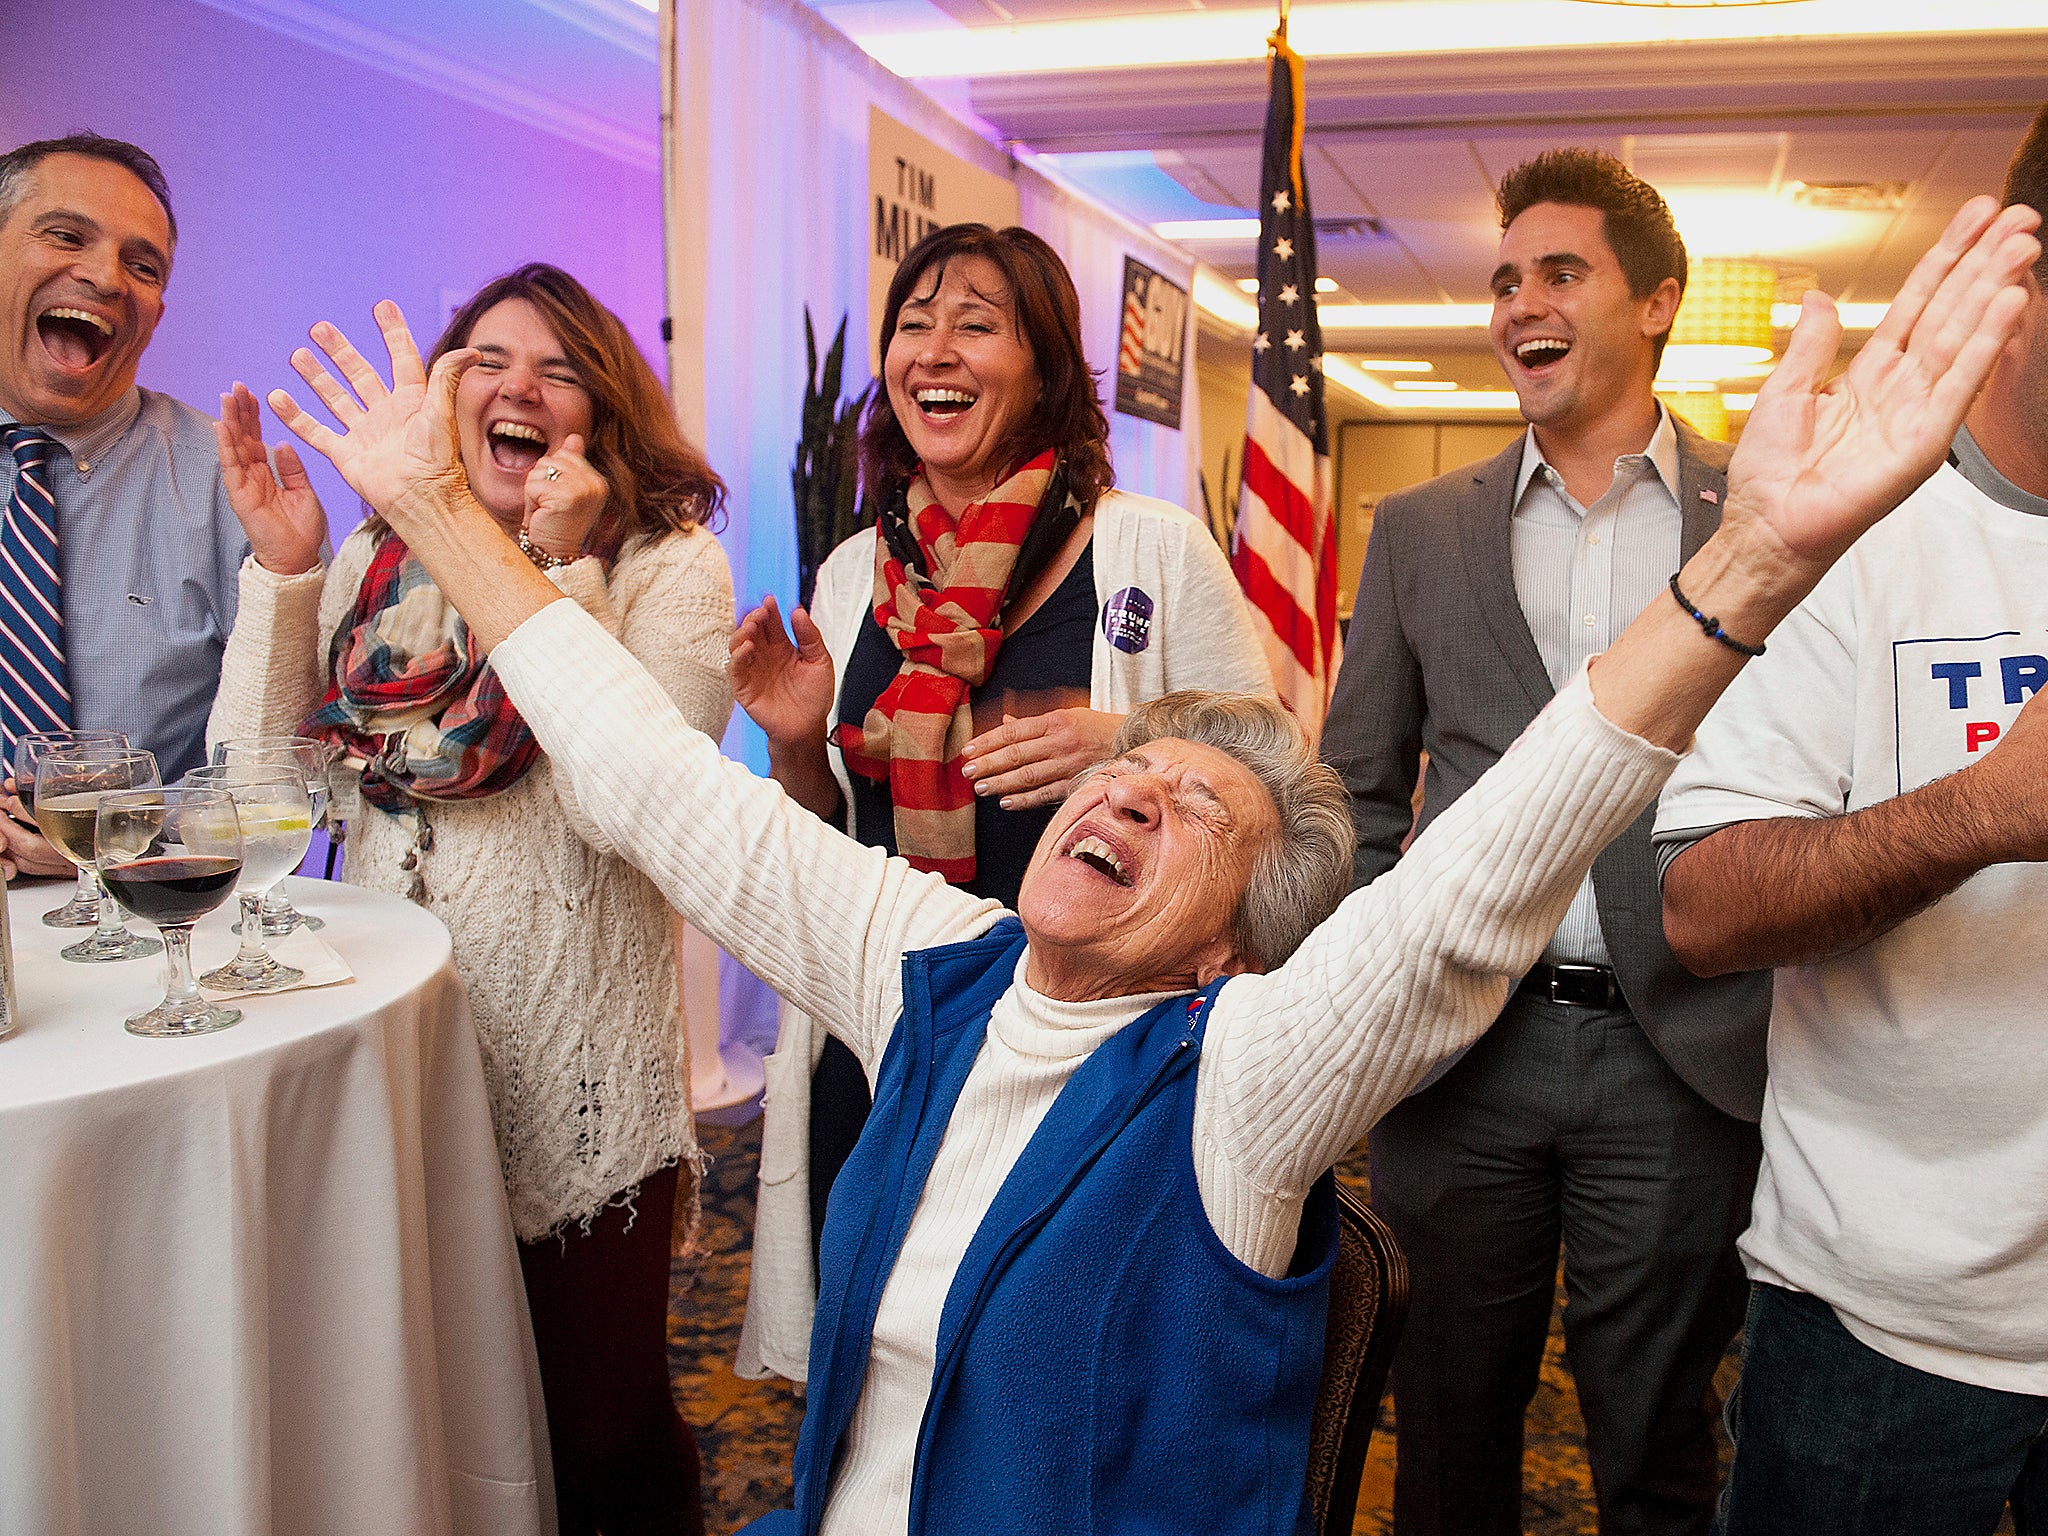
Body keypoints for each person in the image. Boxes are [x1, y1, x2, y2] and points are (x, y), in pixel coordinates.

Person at [260, 198, 2036, 1536]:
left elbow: (1479, 868)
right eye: (1142, 767)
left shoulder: (1240, 1079)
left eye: (1199, 809)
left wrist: (1744, 575)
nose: (1135, 798)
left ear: (1231, 951)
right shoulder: (931, 963)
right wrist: (434, 517)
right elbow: (656, 784)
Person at [209, 265, 733, 1536]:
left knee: (596, 1431)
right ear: (444, 403)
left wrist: (556, 566)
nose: (519, 387)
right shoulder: (369, 566)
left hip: (575, 1087)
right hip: (391, 1064)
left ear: (600, 416)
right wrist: (283, 576)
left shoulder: (670, 567)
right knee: (431, 1421)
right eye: (489, 361)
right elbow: (254, 795)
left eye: (559, 369)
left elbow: (631, 802)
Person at [727, 222, 1273, 1381]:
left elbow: (1271, 766)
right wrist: (792, 747)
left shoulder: (1148, 550)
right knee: (870, 1334)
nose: (937, 349)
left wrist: (1130, 740)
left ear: (1044, 368)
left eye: (977, 323)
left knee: (1040, 1360)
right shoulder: (852, 574)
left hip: (1087, 1043)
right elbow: (827, 842)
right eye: (913, 323)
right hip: (888, 1023)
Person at [1318, 149, 1769, 1534]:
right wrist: (1386, 974)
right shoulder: (1419, 532)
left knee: (1654, 1445)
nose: (1521, 303)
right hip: (1459, 1062)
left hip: (1680, 1054)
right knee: (1448, 1435)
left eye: (1560, 272)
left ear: (1658, 304)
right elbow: (1357, 790)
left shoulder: (1761, 522)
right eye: (1504, 279)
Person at [1657, 111, 2048, 1536]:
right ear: (2021, 281)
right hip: (1886, 1321)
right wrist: (1985, 810)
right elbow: (1701, 903)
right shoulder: (1858, 535)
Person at [0, 132, 249, 880]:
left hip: (156, 929)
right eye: (66, 236)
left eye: (143, 267)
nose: (107, 278)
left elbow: (297, 758)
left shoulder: (226, 483)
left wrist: (121, 831)